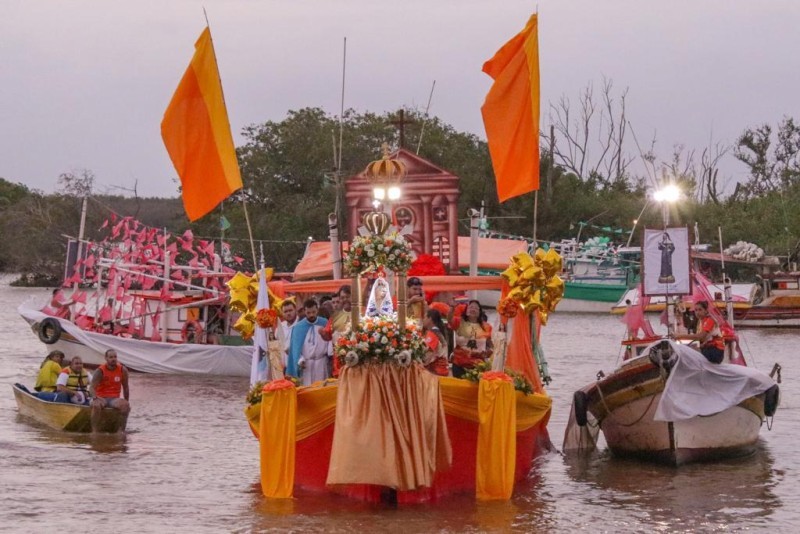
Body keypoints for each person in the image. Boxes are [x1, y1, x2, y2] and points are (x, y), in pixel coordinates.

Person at [287, 299, 330, 386]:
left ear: (317, 310)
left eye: (314, 312)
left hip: (321, 363)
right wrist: (300, 360)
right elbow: (295, 349)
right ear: (304, 311)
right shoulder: (298, 327)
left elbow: (330, 342)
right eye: (308, 313)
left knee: (322, 389)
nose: (311, 315)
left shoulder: (324, 323)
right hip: (306, 365)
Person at [90, 349, 130, 432]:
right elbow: (92, 387)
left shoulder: (123, 370)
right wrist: (95, 398)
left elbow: (126, 387)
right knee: (96, 405)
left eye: (115, 357)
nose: (113, 359)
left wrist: (127, 401)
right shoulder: (100, 371)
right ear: (106, 358)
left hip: (114, 399)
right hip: (101, 397)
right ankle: (95, 431)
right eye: (111, 357)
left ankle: (120, 431)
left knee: (125, 405)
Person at [451, 300, 493, 378]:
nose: (473, 309)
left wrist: (488, 352)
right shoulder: (459, 322)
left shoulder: (487, 327)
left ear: (479, 312)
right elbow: (450, 320)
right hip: (459, 364)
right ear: (466, 311)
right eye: (470, 307)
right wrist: (452, 308)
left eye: (476, 308)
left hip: (478, 366)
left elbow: (491, 345)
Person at [423, 309, 449, 376]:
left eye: (425, 317)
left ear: (430, 319)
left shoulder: (433, 334)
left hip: (436, 373)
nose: (423, 319)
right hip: (442, 371)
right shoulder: (439, 332)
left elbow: (427, 354)